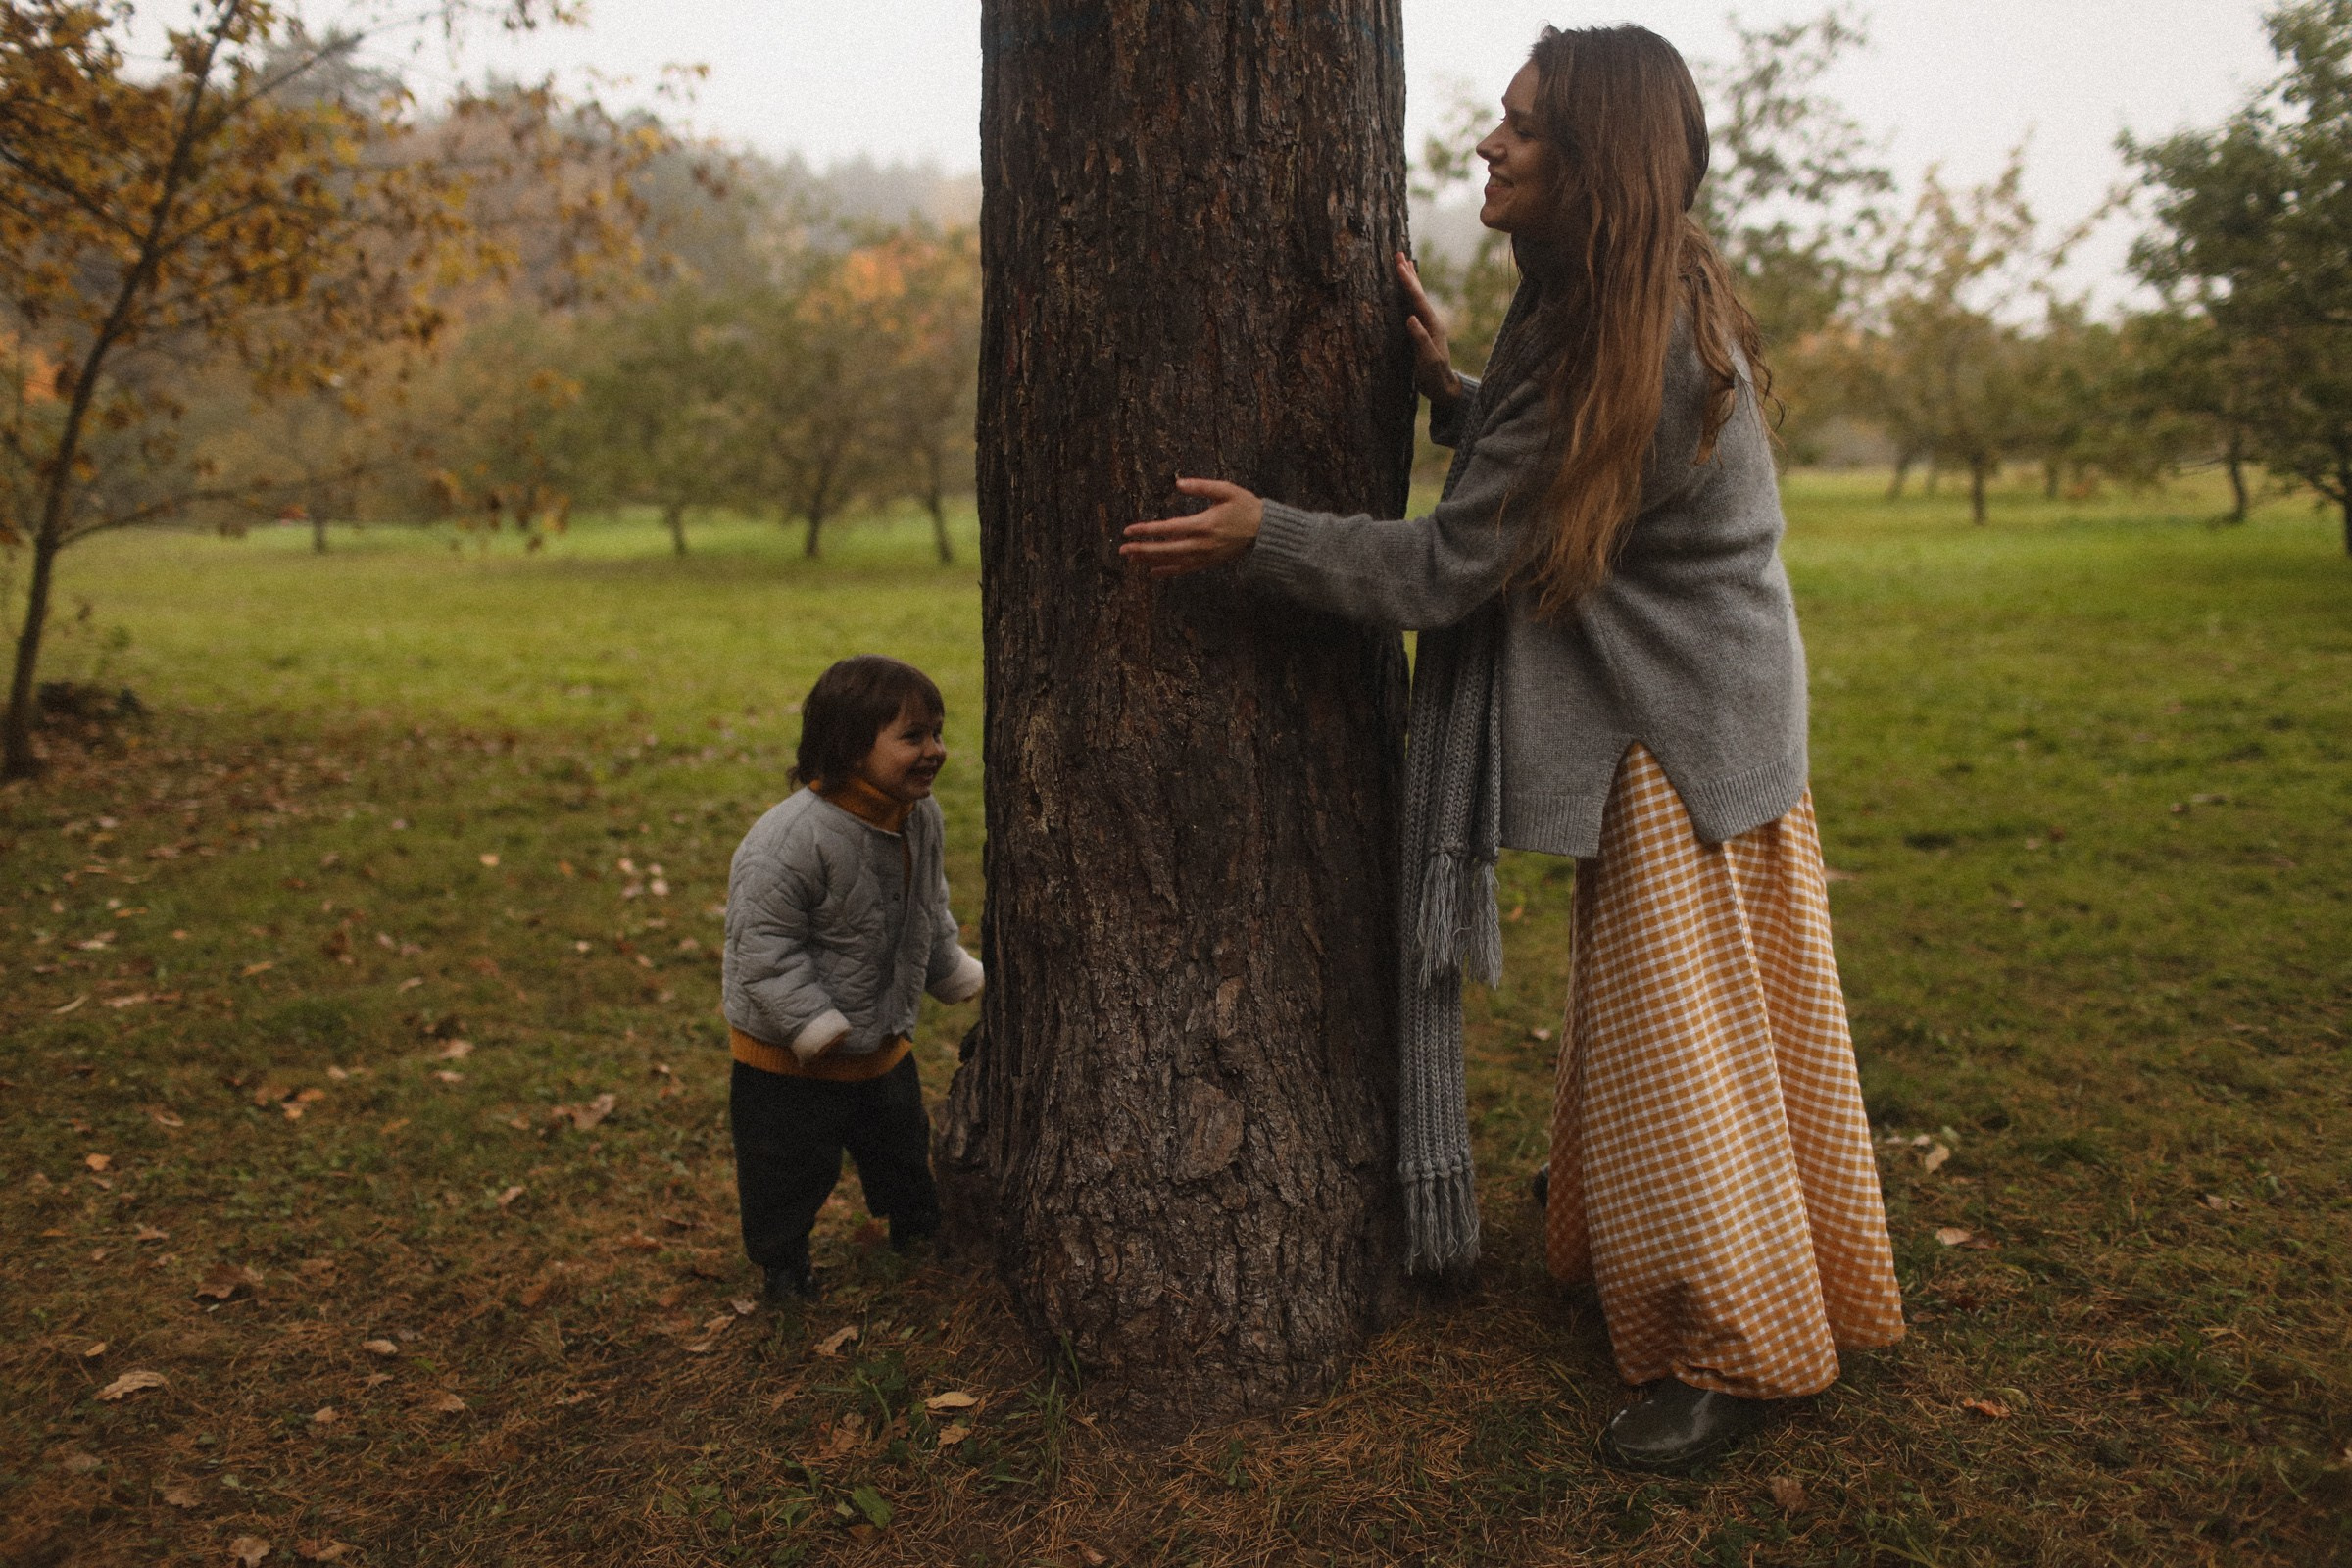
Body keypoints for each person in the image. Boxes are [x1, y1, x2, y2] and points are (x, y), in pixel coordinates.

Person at [1121, 24, 1903, 1472]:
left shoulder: (1643, 335)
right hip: (1697, 706)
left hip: (1682, 724)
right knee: (1692, 1033)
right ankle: (1682, 1260)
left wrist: (1263, 534)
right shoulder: (1607, 301)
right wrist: (1455, 396)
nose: (1489, 142)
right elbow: (1559, 476)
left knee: (1687, 1043)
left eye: (1525, 126)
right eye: (1501, 116)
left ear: (1596, 160)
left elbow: (1446, 572)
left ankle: (1732, 1350)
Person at [720, 655, 984, 1299]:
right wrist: (810, 1023)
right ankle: (784, 1266)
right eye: (912, 736)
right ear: (847, 745)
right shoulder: (789, 841)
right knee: (786, 1167)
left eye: (937, 733)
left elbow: (926, 906)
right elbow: (763, 947)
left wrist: (948, 970)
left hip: (881, 1040)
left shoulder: (920, 819)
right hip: (790, 1057)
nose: (934, 751)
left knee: (900, 1146)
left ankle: (915, 1230)